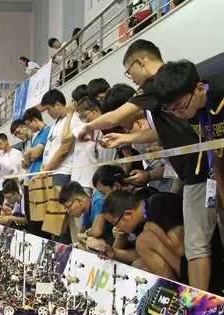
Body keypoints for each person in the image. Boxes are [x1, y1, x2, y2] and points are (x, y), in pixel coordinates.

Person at [76, 40, 213, 291]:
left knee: (196, 246)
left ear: (141, 62)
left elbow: (115, 116)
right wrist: (126, 139)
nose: (132, 79)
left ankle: (198, 302)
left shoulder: (155, 85)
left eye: (130, 72)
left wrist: (86, 127)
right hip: (192, 170)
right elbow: (163, 133)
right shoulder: (162, 91)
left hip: (201, 168)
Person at [152, 59, 224, 218]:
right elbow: (213, 148)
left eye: (180, 106)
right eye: (170, 109)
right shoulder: (191, 110)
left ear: (199, 89)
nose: (178, 114)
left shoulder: (220, 95)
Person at [103, 190, 187, 282]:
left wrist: (153, 228)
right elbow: (143, 254)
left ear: (128, 215)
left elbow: (180, 248)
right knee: (138, 264)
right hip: (182, 263)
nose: (116, 228)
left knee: (143, 241)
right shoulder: (142, 220)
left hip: (192, 264)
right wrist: (115, 252)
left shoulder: (159, 204)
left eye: (114, 223)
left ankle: (170, 288)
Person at [39, 89, 79, 241]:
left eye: (48, 109)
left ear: (57, 104)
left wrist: (46, 169)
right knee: (54, 218)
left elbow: (64, 149)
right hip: (52, 173)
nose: (48, 113)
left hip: (63, 172)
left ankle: (64, 245)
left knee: (62, 218)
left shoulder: (71, 119)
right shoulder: (55, 124)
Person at [22, 107, 51, 236]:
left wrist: (29, 153)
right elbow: (28, 160)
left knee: (40, 220)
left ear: (34, 120)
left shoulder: (47, 131)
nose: (29, 127)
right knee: (32, 219)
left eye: (28, 124)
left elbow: (35, 155)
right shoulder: (36, 137)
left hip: (40, 180)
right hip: (31, 180)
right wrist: (29, 155)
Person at [0, 134, 23, 216]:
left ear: (6, 141)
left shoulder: (17, 153)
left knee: (13, 211)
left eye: (0, 144)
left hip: (12, 186)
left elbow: (19, 170)